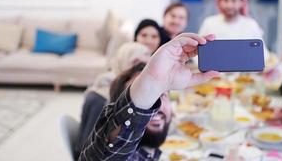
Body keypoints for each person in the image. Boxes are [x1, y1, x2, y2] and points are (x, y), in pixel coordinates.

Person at [78, 33, 219, 160]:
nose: (154, 104)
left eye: (162, 94)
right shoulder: (127, 156)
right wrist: (150, 84)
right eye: (149, 96)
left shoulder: (150, 154)